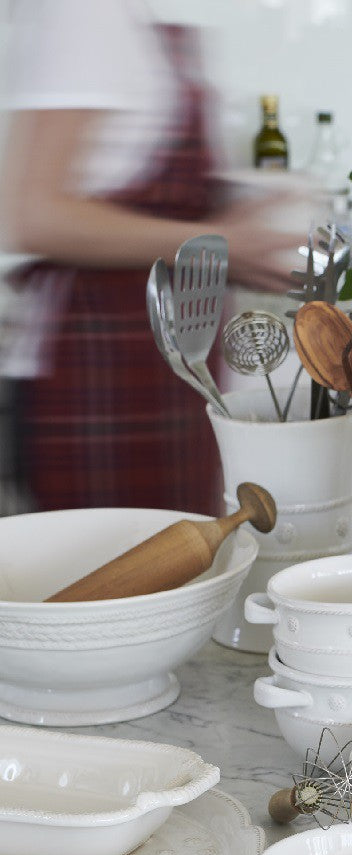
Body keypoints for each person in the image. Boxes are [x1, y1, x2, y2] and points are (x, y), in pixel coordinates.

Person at [0, 0, 302, 515]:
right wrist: (215, 241)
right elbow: (33, 215)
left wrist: (227, 218)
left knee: (175, 569)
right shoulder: (86, 14)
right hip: (102, 378)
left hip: (161, 373)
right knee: (112, 576)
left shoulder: (133, 24)